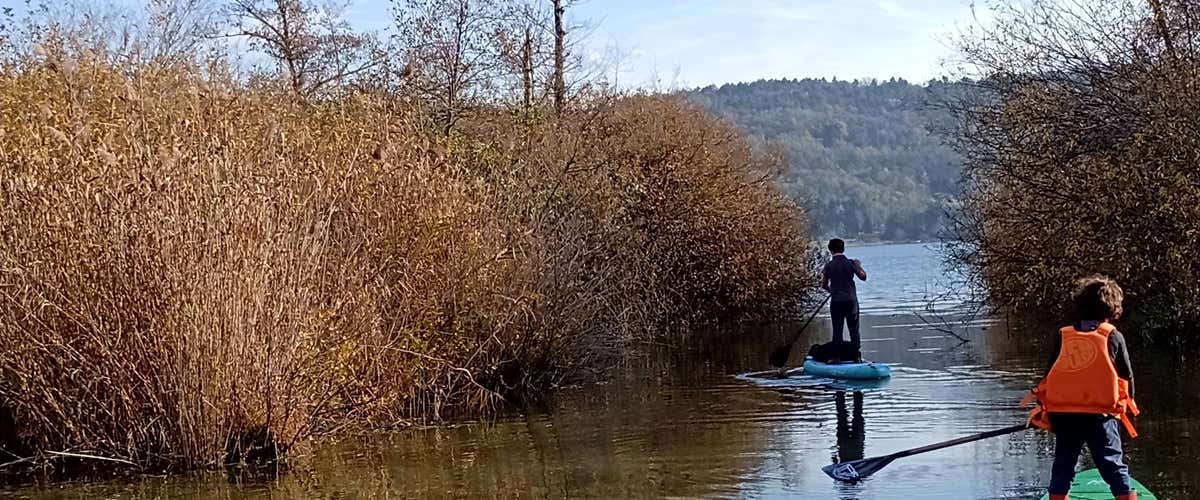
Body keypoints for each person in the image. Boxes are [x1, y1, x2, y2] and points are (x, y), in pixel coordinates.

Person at [1024, 275, 1140, 500]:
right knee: (1113, 465)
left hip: (1066, 415)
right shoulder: (1113, 336)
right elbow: (1127, 377)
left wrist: (1042, 410)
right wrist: (1129, 411)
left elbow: (1049, 375)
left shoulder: (1064, 335)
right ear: (1112, 306)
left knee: (1063, 466)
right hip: (1101, 415)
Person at [820, 238, 867, 362]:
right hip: (851, 301)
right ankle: (856, 356)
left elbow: (823, 284)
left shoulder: (828, 266)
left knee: (837, 329)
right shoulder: (851, 263)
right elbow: (863, 277)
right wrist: (859, 266)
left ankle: (836, 357)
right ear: (843, 249)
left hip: (836, 302)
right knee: (854, 329)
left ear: (831, 251)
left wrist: (832, 291)